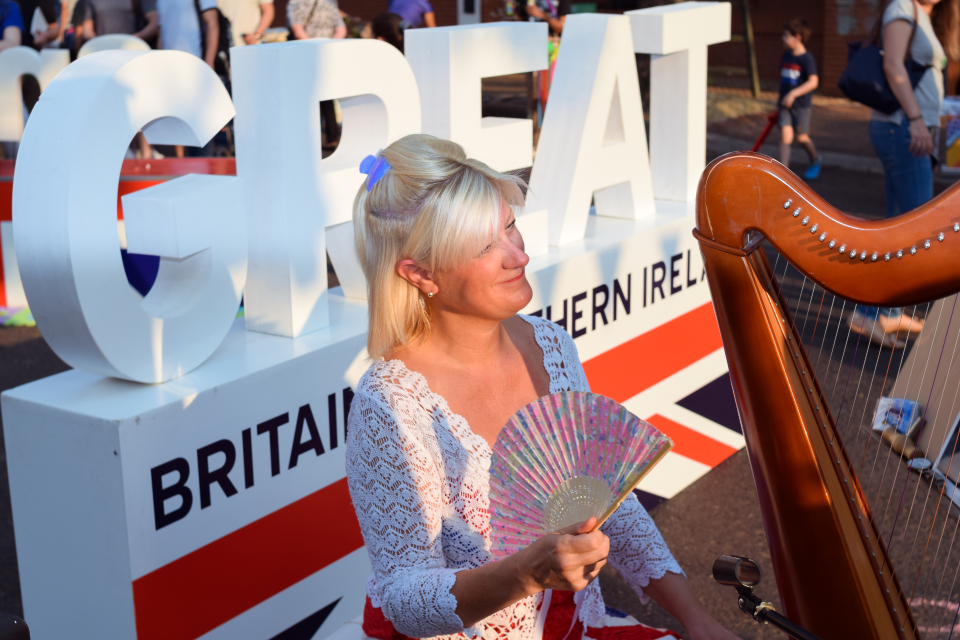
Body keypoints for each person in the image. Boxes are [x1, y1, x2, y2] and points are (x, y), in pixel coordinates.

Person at [345, 134, 741, 640]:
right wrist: (526, 573)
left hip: (575, 625)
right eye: (486, 246)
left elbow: (605, 501)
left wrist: (697, 619)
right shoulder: (390, 404)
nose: (518, 256)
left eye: (510, 227)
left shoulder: (550, 345)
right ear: (420, 273)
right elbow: (405, 599)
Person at [849, 0, 958, 346]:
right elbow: (894, 65)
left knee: (898, 225)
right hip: (903, 129)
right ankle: (870, 313)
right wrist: (915, 120)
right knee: (912, 233)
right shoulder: (903, 6)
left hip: (912, 130)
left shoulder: (926, 15)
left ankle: (888, 314)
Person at [778, 19, 821, 180]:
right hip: (784, 105)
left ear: (797, 37)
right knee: (785, 137)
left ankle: (815, 160)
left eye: (786, 35)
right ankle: (784, 173)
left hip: (801, 106)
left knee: (801, 137)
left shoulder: (807, 59)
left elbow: (813, 81)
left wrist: (793, 94)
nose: (783, 38)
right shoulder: (786, 56)